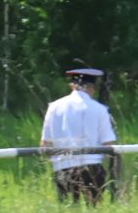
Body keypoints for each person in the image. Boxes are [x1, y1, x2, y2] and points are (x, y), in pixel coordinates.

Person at [40, 66, 116, 205]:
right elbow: (108, 146)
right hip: (92, 167)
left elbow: (45, 144)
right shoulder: (100, 109)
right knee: (94, 209)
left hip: (63, 166)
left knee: (67, 210)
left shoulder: (54, 107)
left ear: (72, 86)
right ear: (92, 88)